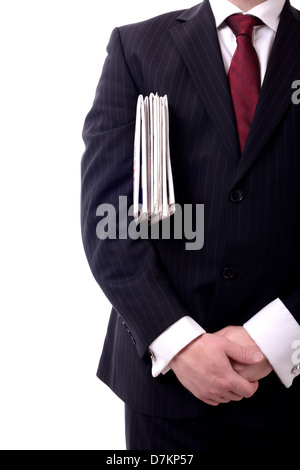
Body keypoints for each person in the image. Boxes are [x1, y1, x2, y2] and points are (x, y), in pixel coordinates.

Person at [81, 0, 300, 450]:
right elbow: (110, 217)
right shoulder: (137, 47)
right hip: (163, 392)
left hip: (292, 389)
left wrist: (277, 336)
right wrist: (178, 343)